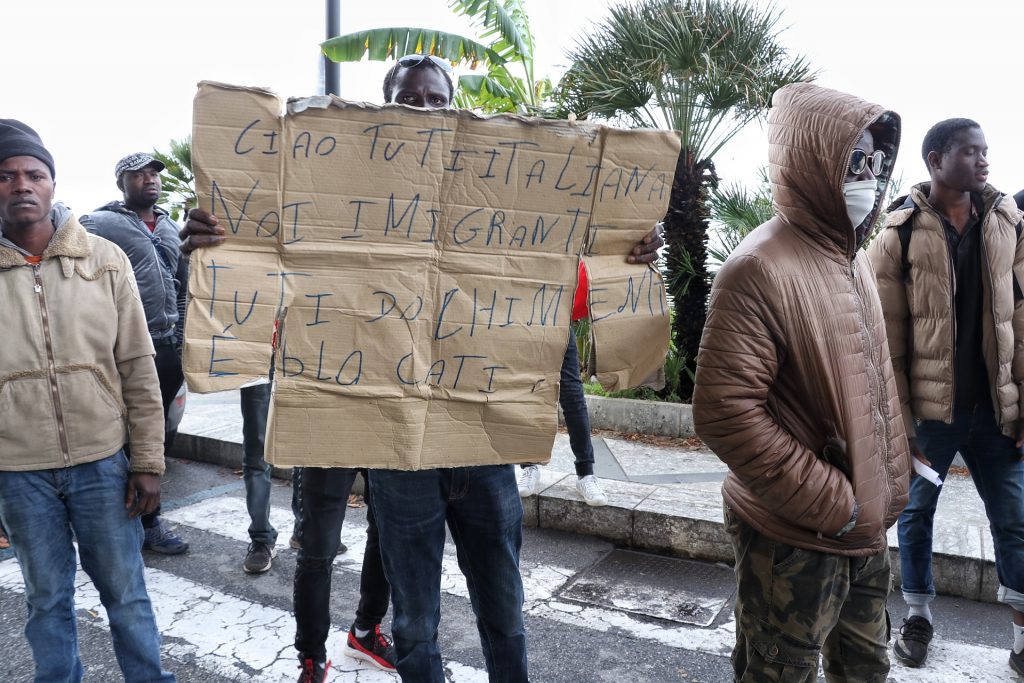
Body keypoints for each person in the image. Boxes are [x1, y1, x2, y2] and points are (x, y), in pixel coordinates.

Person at [182, 53, 664, 683]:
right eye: (410, 100)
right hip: (396, 458)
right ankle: (328, 653)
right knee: (415, 626)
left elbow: (573, 260)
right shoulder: (330, 199)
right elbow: (260, 257)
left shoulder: (506, 199)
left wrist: (631, 254)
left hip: (484, 450)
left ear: (456, 109)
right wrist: (215, 244)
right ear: (385, 109)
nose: (425, 111)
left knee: (505, 612)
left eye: (438, 100)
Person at [692, 83, 910, 682]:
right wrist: (836, 504)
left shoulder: (850, 257)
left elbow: (867, 382)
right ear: (815, 163)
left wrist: (891, 477)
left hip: (864, 532)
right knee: (780, 671)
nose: (868, 178)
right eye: (853, 162)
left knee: (865, 666)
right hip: (795, 536)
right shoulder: (759, 267)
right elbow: (725, 413)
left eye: (875, 163)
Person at [0, 119, 176, 681]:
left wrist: (147, 461)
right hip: (20, 472)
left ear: (52, 184)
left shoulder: (103, 259)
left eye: (33, 174)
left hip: (103, 463)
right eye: (4, 176)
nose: (20, 185)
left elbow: (137, 368)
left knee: (125, 595)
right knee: (47, 601)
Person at [869, 118, 1024, 674]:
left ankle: (1022, 642)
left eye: (986, 151)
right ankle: (918, 618)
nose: (983, 161)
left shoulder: (1009, 221)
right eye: (969, 152)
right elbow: (884, 337)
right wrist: (900, 423)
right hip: (931, 414)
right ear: (936, 160)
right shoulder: (899, 233)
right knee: (915, 516)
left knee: (1015, 518)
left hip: (996, 410)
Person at [81, 152, 190, 555]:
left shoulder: (170, 227)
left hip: (166, 349)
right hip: (121, 351)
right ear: (121, 183)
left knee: (152, 439)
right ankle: (117, 528)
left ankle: (148, 522)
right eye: (138, 174)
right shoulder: (99, 223)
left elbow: (183, 286)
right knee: (117, 440)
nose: (149, 180)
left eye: (153, 174)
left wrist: (182, 340)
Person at [518, 261, 609, 506]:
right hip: (520, 312)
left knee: (572, 395)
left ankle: (585, 473)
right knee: (530, 391)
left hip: (555, 311)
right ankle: (529, 465)